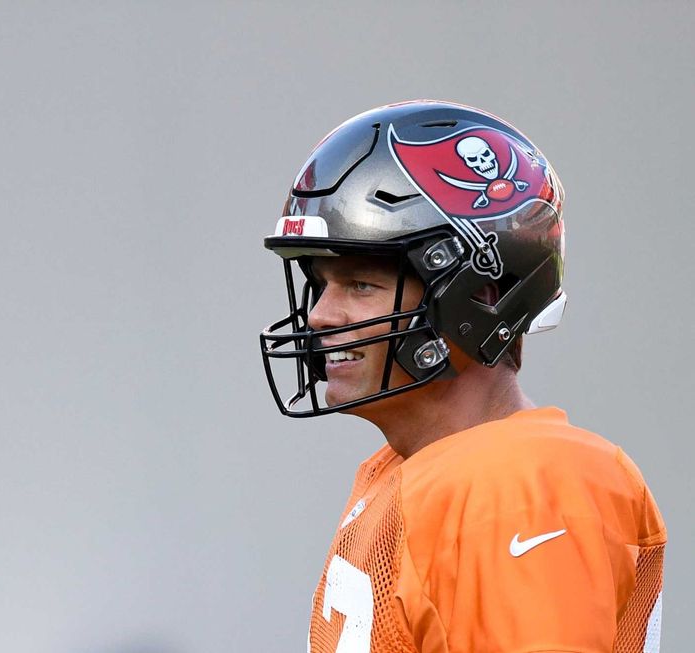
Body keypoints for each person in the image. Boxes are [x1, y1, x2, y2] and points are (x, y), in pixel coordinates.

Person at [259, 100, 666, 652]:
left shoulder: (517, 484)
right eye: (322, 284)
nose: (320, 316)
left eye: (360, 285)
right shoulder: (414, 471)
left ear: (480, 299)